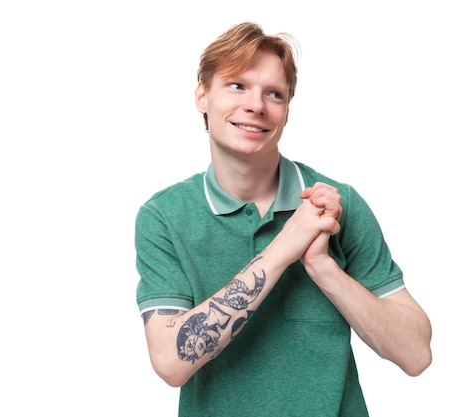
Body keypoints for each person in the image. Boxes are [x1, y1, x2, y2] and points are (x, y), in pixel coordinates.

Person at [135, 21, 432, 416]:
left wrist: (323, 267)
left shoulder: (336, 206)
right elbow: (171, 362)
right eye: (237, 85)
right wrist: (282, 249)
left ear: (287, 111)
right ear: (203, 96)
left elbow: (416, 354)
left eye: (274, 94)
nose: (256, 105)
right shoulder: (164, 217)